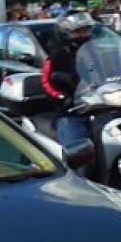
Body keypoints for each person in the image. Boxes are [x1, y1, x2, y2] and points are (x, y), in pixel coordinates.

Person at [42, 10, 97, 153]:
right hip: (72, 112)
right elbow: (46, 83)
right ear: (65, 35)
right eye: (78, 32)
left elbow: (115, 71)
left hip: (101, 107)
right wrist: (62, 97)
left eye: (86, 30)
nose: (83, 35)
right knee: (76, 154)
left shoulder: (99, 54)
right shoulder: (55, 59)